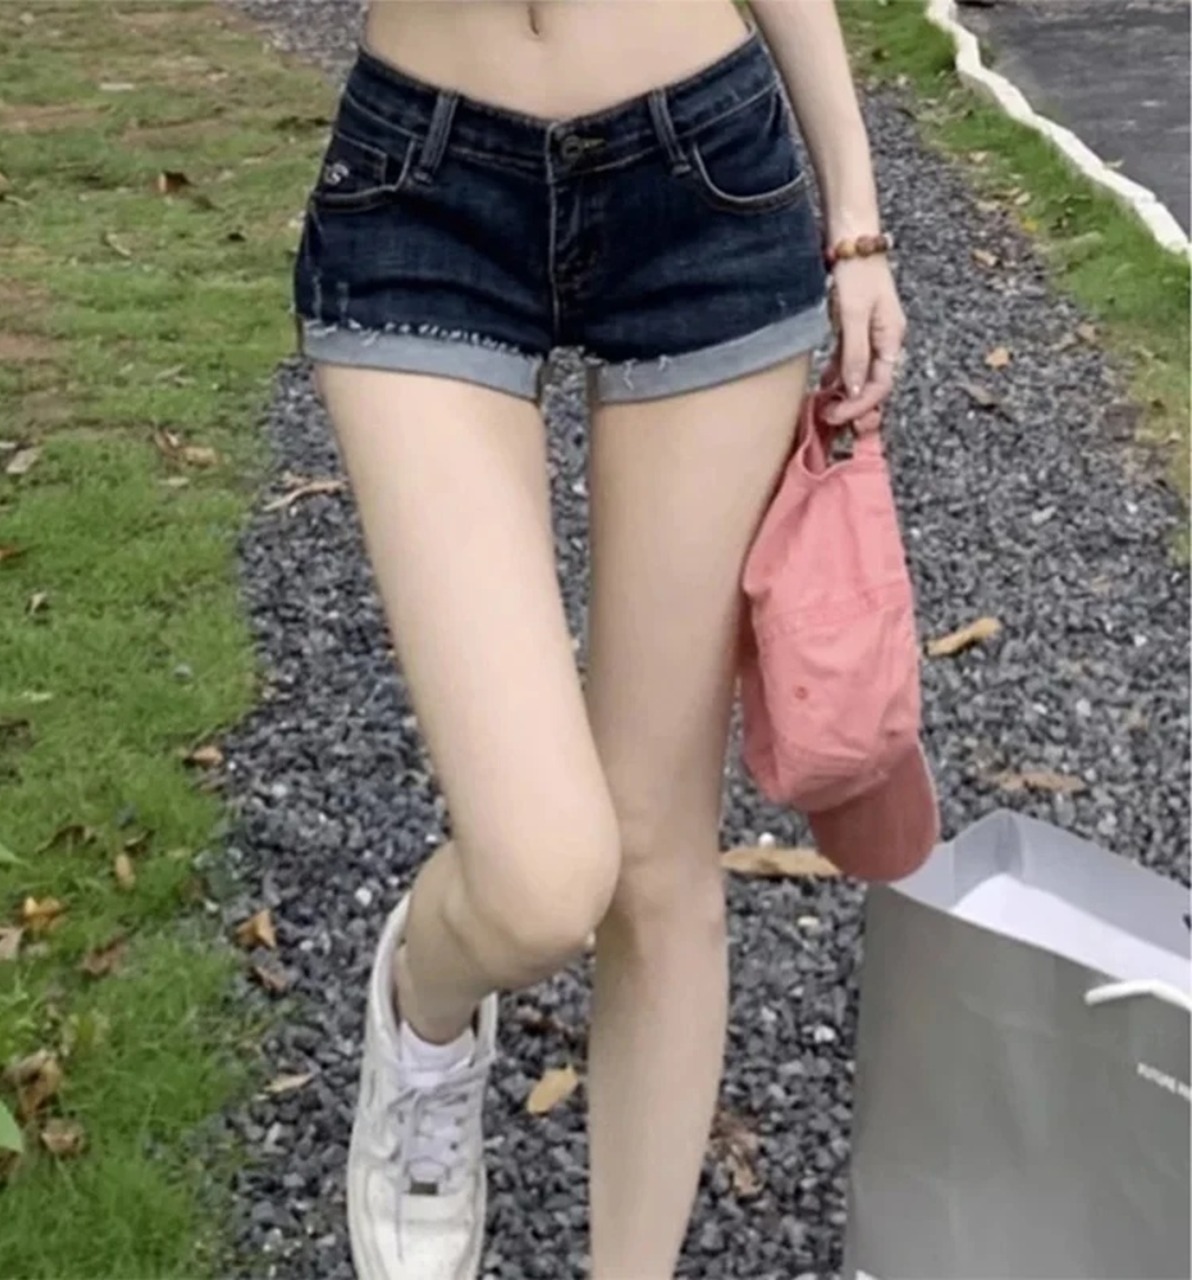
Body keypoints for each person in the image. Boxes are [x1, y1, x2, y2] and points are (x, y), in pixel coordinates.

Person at [292, 1, 905, 1275]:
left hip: (702, 178)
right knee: (539, 878)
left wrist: (854, 219)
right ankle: (425, 1008)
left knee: (655, 857)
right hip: (424, 186)